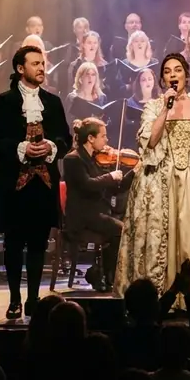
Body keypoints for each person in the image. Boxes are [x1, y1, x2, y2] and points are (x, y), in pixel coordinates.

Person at [114, 53, 190, 316]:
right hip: (159, 180)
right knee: (160, 233)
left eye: (178, 70)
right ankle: (158, 296)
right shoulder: (155, 106)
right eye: (167, 71)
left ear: (186, 75)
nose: (173, 74)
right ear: (162, 78)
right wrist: (165, 109)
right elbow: (150, 142)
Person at [0, 45, 72, 320]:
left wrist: (51, 147)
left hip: (43, 186)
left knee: (37, 243)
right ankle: (14, 299)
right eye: (35, 64)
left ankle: (33, 299)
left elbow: (66, 140)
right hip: (13, 185)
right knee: (13, 243)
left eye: (43, 63)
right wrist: (20, 147)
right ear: (21, 69)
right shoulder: (2, 102)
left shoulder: (53, 102)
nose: (42, 68)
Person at [62, 117, 137, 292]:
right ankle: (101, 273)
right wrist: (109, 177)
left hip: (96, 214)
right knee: (122, 230)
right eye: (103, 136)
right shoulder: (72, 159)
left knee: (122, 229)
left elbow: (115, 189)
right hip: (81, 217)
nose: (107, 140)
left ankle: (102, 274)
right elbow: (87, 184)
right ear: (90, 138)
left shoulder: (95, 159)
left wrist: (134, 172)